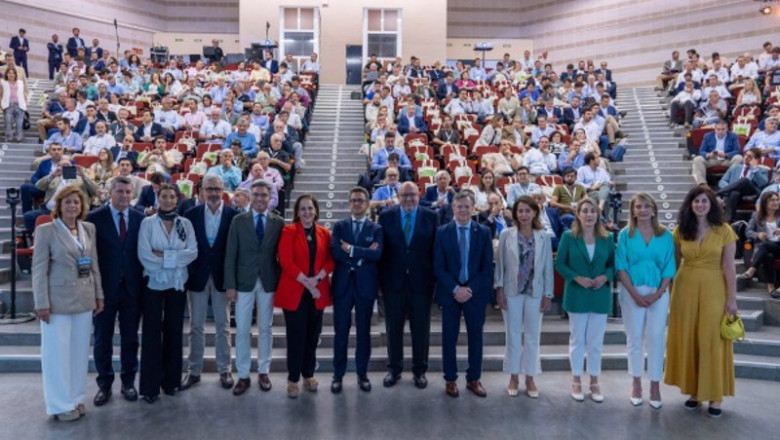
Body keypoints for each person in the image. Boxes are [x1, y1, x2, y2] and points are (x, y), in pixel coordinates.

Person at [33, 187, 103, 421]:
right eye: (68, 202)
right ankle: (60, 405)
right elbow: (39, 270)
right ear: (59, 206)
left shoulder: (88, 228)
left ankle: (75, 398)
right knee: (56, 356)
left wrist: (99, 295)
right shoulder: (46, 231)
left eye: (76, 202)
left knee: (78, 354)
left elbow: (93, 265)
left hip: (84, 298)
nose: (73, 206)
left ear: (82, 206)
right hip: (56, 302)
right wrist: (41, 303)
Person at [136, 184, 198, 403]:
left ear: (177, 199)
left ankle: (171, 382)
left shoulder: (185, 224)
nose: (168, 200)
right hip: (153, 283)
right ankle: (150, 388)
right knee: (152, 334)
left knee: (174, 332)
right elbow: (145, 255)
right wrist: (174, 258)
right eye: (164, 196)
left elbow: (192, 252)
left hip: (177, 284)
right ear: (158, 198)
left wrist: (163, 256)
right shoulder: (147, 223)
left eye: (172, 196)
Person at [86, 177, 145, 406]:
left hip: (132, 289)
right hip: (104, 290)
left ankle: (128, 382)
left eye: (128, 192)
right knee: (103, 340)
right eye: (119, 191)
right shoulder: (94, 218)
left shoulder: (141, 219)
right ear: (110, 193)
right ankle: (104, 384)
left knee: (130, 339)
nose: (124, 196)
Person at [223, 180, 284, 395]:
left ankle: (263, 371)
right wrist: (230, 284)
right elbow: (230, 254)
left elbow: (282, 255)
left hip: (268, 281)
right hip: (243, 282)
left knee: (266, 328)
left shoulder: (278, 222)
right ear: (250, 196)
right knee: (242, 329)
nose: (259, 199)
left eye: (264, 195)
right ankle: (243, 375)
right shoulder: (238, 221)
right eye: (256, 194)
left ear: (270, 197)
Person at [615, 193, 676, 409]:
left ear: (653, 209)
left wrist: (657, 294)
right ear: (633, 211)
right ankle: (636, 384)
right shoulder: (626, 234)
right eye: (638, 206)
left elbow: (669, 267)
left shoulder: (665, 235)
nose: (642, 210)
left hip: (658, 292)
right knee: (634, 338)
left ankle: (655, 386)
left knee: (656, 337)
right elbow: (621, 266)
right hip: (632, 291)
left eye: (646, 206)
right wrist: (634, 294)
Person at [180, 175, 238, 391]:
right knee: (196, 326)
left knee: (223, 326)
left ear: (223, 190)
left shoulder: (234, 216)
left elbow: (235, 252)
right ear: (202, 190)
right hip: (197, 276)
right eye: (209, 189)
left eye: (217, 189)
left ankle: (225, 370)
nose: (213, 193)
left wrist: (233, 282)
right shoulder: (190, 215)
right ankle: (194, 371)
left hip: (223, 278)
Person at [554, 198, 614, 403]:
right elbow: (560, 264)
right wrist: (576, 277)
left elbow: (614, 265)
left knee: (596, 342)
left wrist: (605, 277)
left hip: (599, 295)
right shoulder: (568, 237)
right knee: (577, 339)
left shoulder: (607, 238)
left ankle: (595, 381)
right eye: (585, 211)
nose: (589, 215)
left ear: (598, 215)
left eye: (593, 211)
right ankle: (576, 379)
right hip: (577, 295)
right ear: (578, 214)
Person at [379, 181, 438, 389]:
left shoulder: (431, 216)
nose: (409, 199)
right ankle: (394, 369)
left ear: (419, 195)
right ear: (398, 196)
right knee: (393, 329)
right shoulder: (386, 216)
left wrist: (434, 280)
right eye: (404, 195)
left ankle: (419, 371)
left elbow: (435, 250)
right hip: (393, 283)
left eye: (412, 195)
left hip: (421, 283)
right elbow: (382, 251)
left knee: (421, 330)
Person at [434, 191, 493, 398]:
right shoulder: (442, 232)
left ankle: (473, 379)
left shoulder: (483, 232)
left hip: (475, 294)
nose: (463, 210)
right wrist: (455, 289)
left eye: (467, 206)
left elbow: (487, 268)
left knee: (476, 338)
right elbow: (438, 266)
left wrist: (470, 289)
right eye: (459, 206)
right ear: (453, 208)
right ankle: (450, 379)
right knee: (449, 338)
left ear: (473, 208)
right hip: (450, 293)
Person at [494, 196, 554, 398]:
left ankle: (530, 377)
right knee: (512, 335)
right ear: (515, 213)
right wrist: (499, 288)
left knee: (532, 336)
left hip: (535, 292)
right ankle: (513, 376)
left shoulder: (543, 237)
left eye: (528, 211)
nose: (524, 214)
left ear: (535, 212)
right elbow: (500, 265)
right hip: (512, 291)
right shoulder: (506, 235)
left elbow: (548, 267)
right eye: (520, 211)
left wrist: (548, 293)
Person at [275, 194, 334, 398]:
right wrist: (307, 282)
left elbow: (330, 260)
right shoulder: (288, 231)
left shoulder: (324, 233)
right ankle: (293, 379)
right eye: (303, 209)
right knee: (296, 337)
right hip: (296, 291)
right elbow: (285, 260)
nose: (307, 212)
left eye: (310, 208)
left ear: (316, 211)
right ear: (297, 213)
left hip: (317, 293)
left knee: (312, 337)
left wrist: (317, 279)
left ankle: (308, 375)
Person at [330, 188, 384, 393]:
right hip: (343, 286)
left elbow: (377, 254)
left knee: (364, 332)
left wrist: (352, 250)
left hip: (365, 286)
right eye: (353, 200)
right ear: (349, 203)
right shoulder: (340, 226)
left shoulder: (376, 228)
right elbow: (336, 252)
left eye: (360, 200)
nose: (356, 203)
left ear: (367, 203)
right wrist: (364, 253)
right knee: (340, 332)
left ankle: (362, 374)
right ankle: (338, 374)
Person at [740, 191, 780, 298]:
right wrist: (758, 235)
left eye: (777, 200)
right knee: (768, 255)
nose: (776, 202)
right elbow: (748, 231)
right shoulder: (757, 216)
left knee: (765, 246)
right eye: (772, 200)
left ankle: (752, 269)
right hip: (767, 249)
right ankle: (771, 286)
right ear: (765, 203)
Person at [0, 67, 28, 142]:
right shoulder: (3, 82)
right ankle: (9, 138)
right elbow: (0, 94)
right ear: (6, 74)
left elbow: (23, 93)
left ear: (15, 74)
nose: (11, 74)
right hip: (8, 105)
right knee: (8, 122)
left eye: (13, 73)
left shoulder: (20, 82)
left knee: (19, 123)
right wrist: (2, 104)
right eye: (9, 73)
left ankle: (19, 138)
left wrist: (25, 103)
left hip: (19, 105)